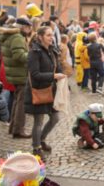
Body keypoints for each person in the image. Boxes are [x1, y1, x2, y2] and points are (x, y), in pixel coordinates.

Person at [24, 26, 65, 160]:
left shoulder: (52, 50)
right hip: (38, 90)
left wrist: (61, 74)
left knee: (55, 118)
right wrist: (53, 76)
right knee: (38, 121)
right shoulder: (34, 52)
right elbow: (35, 74)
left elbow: (57, 67)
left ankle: (41, 139)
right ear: (40, 37)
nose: (51, 37)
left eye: (52, 35)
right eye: (48, 35)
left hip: (51, 90)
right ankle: (36, 148)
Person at [0, 18, 32, 139]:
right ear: (23, 27)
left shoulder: (11, 35)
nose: (30, 30)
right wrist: (32, 54)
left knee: (17, 101)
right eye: (28, 27)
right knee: (21, 103)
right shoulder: (17, 37)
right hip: (20, 73)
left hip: (14, 73)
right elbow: (19, 56)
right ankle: (18, 130)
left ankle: (14, 128)